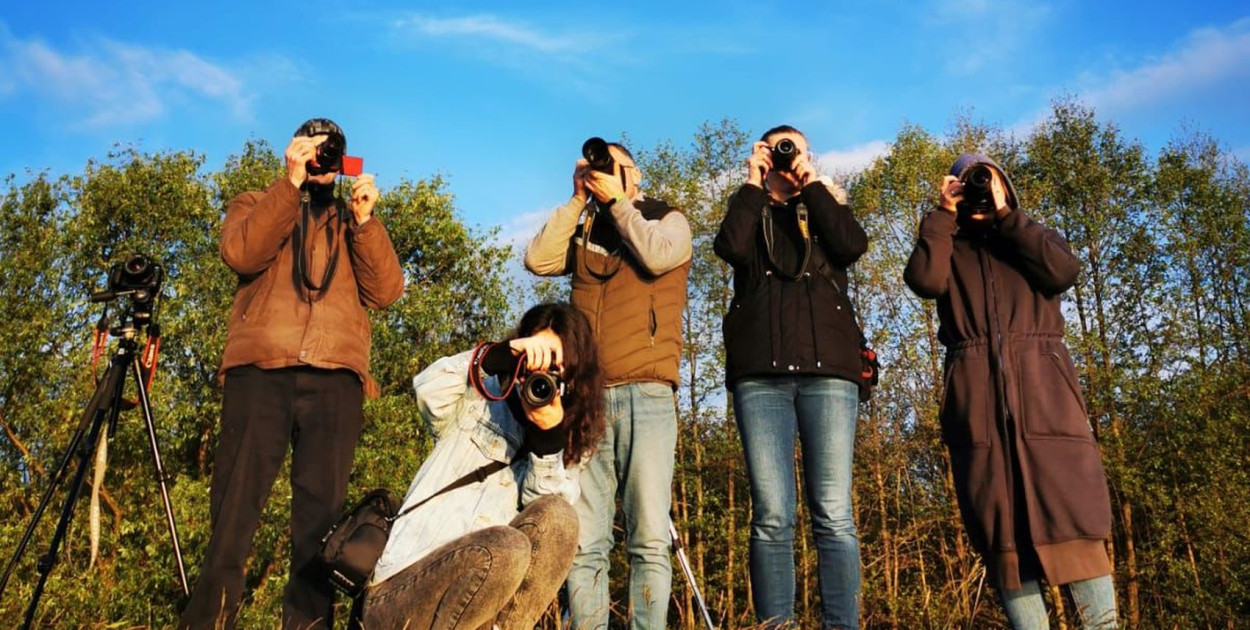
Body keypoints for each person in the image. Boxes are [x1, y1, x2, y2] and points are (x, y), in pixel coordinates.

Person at [179, 118, 405, 630]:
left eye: (331, 153)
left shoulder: (354, 221)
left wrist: (367, 222)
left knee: (320, 532)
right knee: (232, 519)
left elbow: (388, 292)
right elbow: (241, 253)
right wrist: (290, 185)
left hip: (335, 378)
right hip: (261, 371)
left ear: (343, 161)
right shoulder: (257, 200)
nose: (322, 160)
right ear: (295, 151)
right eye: (313, 149)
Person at [903, 153, 1117, 629]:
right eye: (967, 182)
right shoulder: (948, 247)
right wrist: (941, 217)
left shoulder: (1031, 239)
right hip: (976, 407)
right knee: (1004, 541)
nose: (977, 188)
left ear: (1006, 188)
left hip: (1048, 402)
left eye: (987, 180)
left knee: (1077, 525)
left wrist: (1007, 215)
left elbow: (1063, 271)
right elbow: (924, 281)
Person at [525, 140, 692, 629]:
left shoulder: (667, 217)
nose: (600, 174)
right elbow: (538, 260)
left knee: (648, 539)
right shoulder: (585, 228)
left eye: (609, 166)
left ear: (634, 175)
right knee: (586, 540)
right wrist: (578, 199)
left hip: (648, 392)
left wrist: (618, 202)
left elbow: (660, 256)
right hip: (587, 396)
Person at [363, 302, 606, 629]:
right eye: (537, 361)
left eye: (555, 370)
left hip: (480, 608)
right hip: (402, 590)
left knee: (560, 517)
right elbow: (427, 389)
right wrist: (493, 358)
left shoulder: (568, 441)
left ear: (572, 380)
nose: (541, 377)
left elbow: (548, 532)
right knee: (505, 548)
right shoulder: (482, 394)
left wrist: (547, 442)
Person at [713, 125, 869, 630]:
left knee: (834, 515)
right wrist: (754, 182)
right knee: (771, 517)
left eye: (792, 148)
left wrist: (811, 183)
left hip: (829, 374)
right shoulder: (751, 211)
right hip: (760, 376)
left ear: (807, 155)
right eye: (776, 148)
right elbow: (728, 247)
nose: (784, 155)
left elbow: (850, 245)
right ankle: (774, 625)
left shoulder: (826, 210)